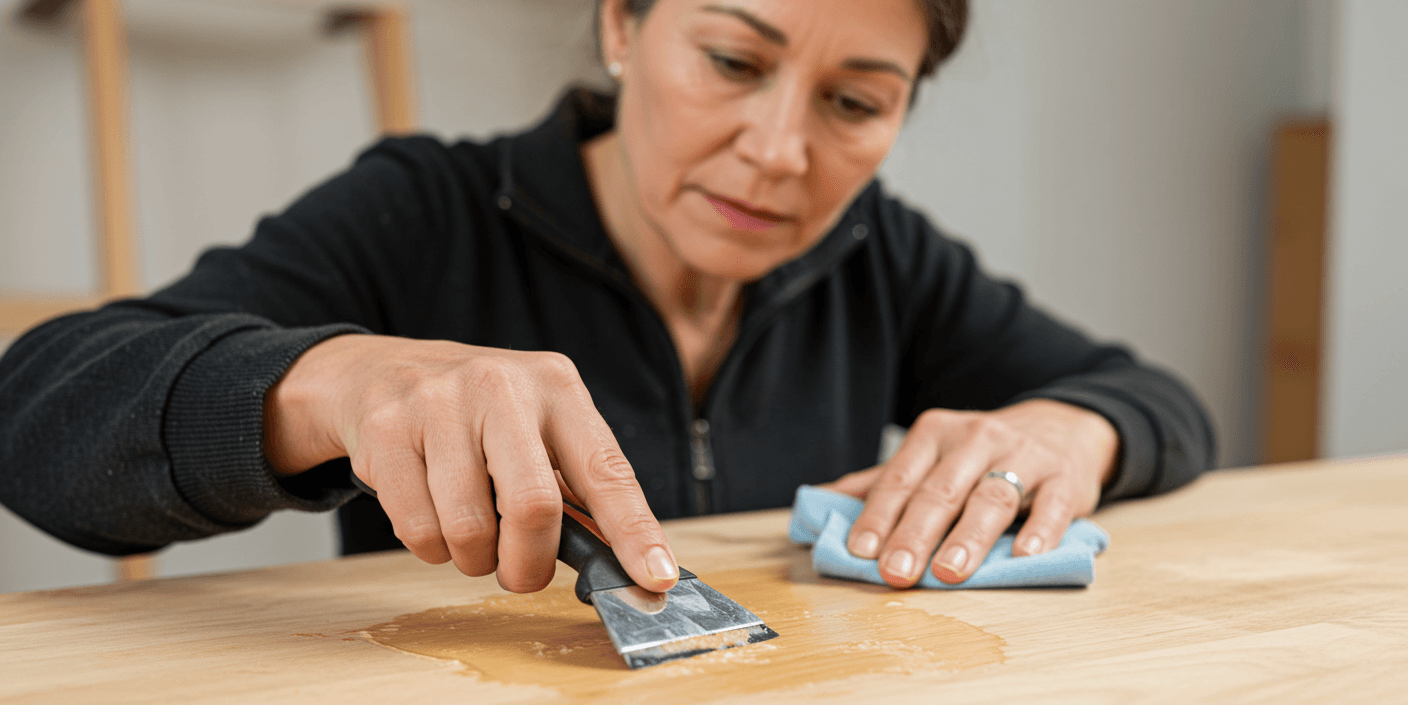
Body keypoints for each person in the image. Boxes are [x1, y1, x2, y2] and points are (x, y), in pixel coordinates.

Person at [0, 0, 1213, 596]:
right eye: (733, 62)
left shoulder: (884, 258)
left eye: (854, 103)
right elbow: (40, 417)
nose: (781, 152)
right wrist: (328, 384)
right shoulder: (427, 210)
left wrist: (1068, 428)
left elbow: (1153, 397)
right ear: (622, 25)